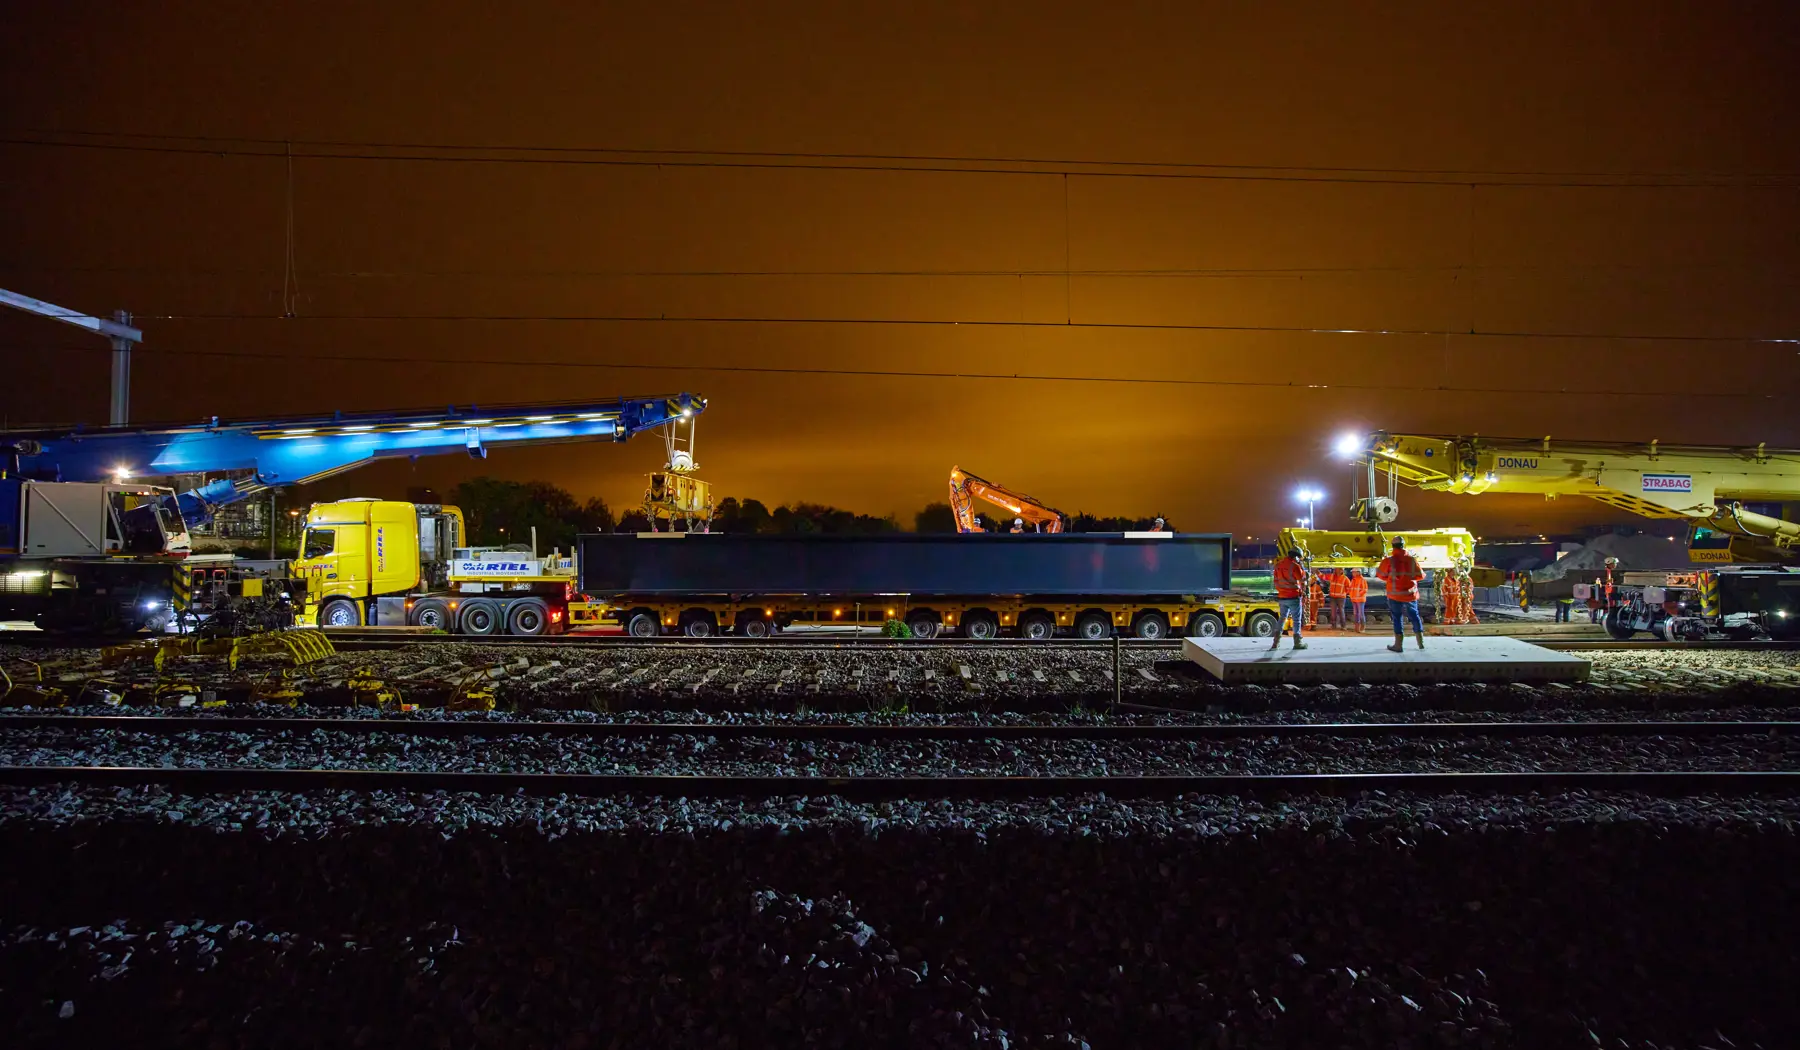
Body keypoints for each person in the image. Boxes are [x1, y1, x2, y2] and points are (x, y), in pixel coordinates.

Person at [1376, 537, 1426, 652]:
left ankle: (1398, 645)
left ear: (1393, 546)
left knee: (1397, 618)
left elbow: (1380, 575)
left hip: (1395, 595)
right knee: (1414, 616)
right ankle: (1420, 643)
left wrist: (1391, 578)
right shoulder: (1412, 560)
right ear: (1403, 545)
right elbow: (1421, 576)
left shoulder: (1389, 561)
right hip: (1410, 595)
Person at [1271, 548, 1308, 650]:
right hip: (1293, 597)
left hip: (1282, 597)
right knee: (1296, 620)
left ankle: (1276, 643)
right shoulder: (1295, 566)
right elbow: (1302, 580)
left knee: (1282, 618)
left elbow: (1276, 581)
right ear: (1296, 556)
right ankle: (1297, 643)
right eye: (1298, 558)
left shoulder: (1278, 565)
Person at [1346, 568, 1368, 632]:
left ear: (1358, 572)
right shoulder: (1353, 580)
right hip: (1354, 600)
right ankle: (1357, 628)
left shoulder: (1362, 580)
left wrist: (1358, 594)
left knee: (1360, 614)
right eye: (1352, 572)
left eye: (1353, 572)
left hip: (1360, 600)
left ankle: (1362, 627)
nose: (1352, 573)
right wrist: (1349, 593)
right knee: (1356, 614)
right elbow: (1351, 588)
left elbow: (1365, 590)